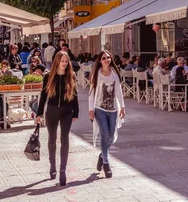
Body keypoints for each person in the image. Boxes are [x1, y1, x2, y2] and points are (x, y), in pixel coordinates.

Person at [36, 52, 79, 186]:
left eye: (66, 61)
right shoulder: (49, 76)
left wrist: (76, 112)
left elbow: (75, 95)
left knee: (65, 139)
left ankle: (63, 170)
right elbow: (43, 95)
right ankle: (52, 165)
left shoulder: (71, 75)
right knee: (52, 139)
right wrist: (39, 113)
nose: (64, 63)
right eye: (62, 61)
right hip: (52, 111)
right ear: (57, 62)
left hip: (67, 111)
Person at [88, 50, 126, 179]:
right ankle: (106, 163)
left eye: (108, 57)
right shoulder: (96, 74)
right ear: (100, 60)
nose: (106, 60)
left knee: (111, 135)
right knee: (104, 133)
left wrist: (122, 106)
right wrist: (90, 109)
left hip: (113, 108)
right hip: (100, 108)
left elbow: (119, 91)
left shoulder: (114, 73)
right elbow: (91, 92)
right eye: (104, 58)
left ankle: (102, 155)